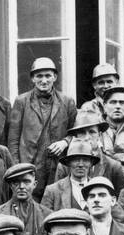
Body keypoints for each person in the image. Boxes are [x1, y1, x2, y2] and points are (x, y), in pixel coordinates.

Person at [7, 57, 77, 199]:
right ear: (33, 78)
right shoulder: (22, 101)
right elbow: (13, 141)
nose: (44, 80)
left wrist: (65, 142)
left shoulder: (67, 102)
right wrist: (18, 170)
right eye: (39, 76)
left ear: (55, 77)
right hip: (30, 166)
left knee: (55, 203)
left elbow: (76, 133)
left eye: (48, 76)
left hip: (57, 167)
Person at [55, 111, 124, 195]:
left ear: (99, 135)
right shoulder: (64, 166)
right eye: (82, 132)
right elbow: (58, 196)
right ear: (76, 136)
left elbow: (122, 201)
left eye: (92, 132)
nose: (87, 137)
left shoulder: (114, 167)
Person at [41, 140, 96, 213]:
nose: (80, 165)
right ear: (68, 163)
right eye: (76, 160)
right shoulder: (52, 191)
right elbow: (43, 219)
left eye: (85, 160)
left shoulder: (99, 188)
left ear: (91, 163)